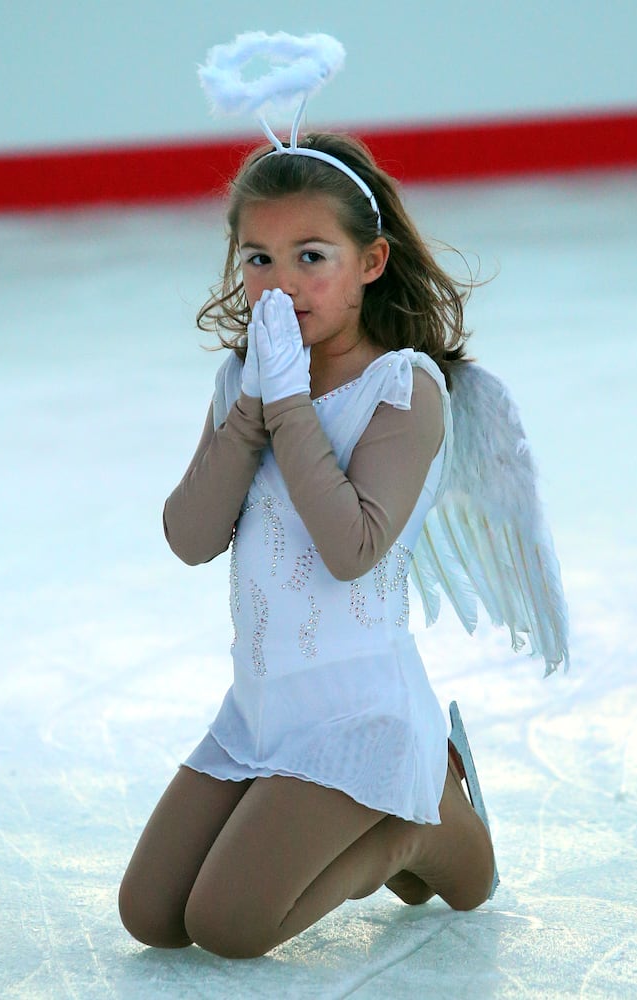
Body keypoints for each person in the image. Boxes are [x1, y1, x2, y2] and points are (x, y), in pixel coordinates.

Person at [118, 128, 498, 959]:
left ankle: (421, 822)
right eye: (257, 258)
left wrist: (288, 405)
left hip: (358, 712)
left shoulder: (401, 389)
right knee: (152, 916)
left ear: (370, 262)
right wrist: (254, 403)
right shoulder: (243, 380)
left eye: (310, 256)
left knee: (229, 925)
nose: (279, 285)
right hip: (258, 708)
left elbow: (350, 548)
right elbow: (189, 538)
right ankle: (392, 809)